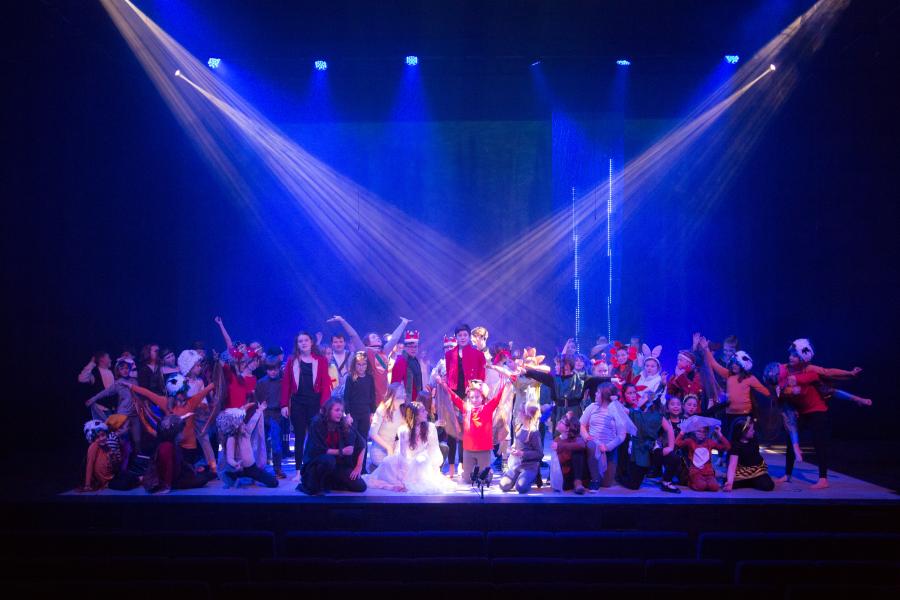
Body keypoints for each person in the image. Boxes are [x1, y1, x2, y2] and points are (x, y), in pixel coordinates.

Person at [775, 338, 864, 489]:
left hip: (817, 409)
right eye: (790, 354)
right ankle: (787, 474)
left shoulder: (810, 369)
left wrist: (850, 374)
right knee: (791, 441)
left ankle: (823, 479)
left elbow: (829, 372)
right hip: (801, 411)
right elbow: (773, 376)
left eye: (795, 355)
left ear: (803, 358)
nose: (791, 357)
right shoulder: (785, 368)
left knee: (819, 443)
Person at [366, 402, 456, 494]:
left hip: (421, 458)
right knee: (387, 462)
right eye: (423, 411)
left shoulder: (430, 427)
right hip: (406, 461)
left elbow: (434, 449)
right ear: (416, 416)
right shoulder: (403, 430)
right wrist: (403, 478)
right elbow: (403, 455)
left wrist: (434, 467)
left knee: (420, 461)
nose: (426, 413)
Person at [129, 375, 216, 466]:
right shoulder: (166, 403)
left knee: (187, 472)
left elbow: (206, 390)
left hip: (189, 447)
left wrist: (220, 375)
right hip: (174, 445)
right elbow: (148, 393)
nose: (183, 394)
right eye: (180, 392)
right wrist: (131, 386)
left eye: (184, 391)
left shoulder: (191, 402)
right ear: (173, 394)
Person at [327, 314, 411, 404]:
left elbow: (394, 339)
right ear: (367, 342)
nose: (377, 337)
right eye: (373, 337)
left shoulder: (383, 352)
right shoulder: (366, 352)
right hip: (369, 398)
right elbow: (354, 335)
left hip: (384, 396)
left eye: (377, 336)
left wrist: (403, 323)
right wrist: (342, 321)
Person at [699, 337, 770, 440]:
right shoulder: (728, 374)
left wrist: (776, 390)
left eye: (737, 364)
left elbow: (765, 391)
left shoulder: (749, 377)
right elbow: (714, 365)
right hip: (728, 411)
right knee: (728, 436)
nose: (734, 366)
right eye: (733, 363)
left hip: (744, 413)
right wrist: (706, 349)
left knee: (743, 437)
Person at [438, 377, 507, 483]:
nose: (474, 400)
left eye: (477, 397)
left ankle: (488, 473)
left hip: (483, 449)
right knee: (468, 480)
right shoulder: (466, 408)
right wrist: (444, 385)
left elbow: (497, 398)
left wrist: (506, 383)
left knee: (482, 479)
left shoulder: (487, 408)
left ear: (482, 397)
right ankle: (472, 471)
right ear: (469, 398)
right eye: (472, 397)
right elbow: (454, 397)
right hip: (468, 450)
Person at [280, 331, 331, 469]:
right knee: (299, 437)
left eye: (306, 340)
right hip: (298, 404)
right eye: (300, 341)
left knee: (315, 436)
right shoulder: (292, 360)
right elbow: (286, 384)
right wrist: (284, 404)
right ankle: (298, 469)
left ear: (311, 342)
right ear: (297, 344)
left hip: (315, 403)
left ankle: (313, 467)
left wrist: (324, 406)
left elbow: (326, 385)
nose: (303, 343)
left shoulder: (321, 360)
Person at [617, 384, 680, 493]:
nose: (636, 397)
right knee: (633, 485)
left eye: (640, 396)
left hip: (650, 450)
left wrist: (670, 447)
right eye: (630, 393)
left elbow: (669, 429)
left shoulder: (655, 415)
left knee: (674, 458)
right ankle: (620, 476)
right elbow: (622, 410)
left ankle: (666, 481)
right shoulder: (633, 411)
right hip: (637, 452)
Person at [298, 398, 367, 495]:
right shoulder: (317, 423)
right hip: (316, 463)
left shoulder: (343, 423)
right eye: (337, 410)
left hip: (337, 465)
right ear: (328, 410)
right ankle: (314, 482)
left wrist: (359, 466)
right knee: (329, 460)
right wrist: (341, 451)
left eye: (342, 411)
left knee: (360, 486)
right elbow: (318, 449)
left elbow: (362, 443)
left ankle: (329, 482)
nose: (340, 413)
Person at [85, 358, 143, 452]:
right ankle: (121, 463)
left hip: (135, 414)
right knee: (124, 441)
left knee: (138, 440)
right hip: (123, 416)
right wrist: (92, 399)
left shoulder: (134, 381)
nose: (125, 370)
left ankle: (138, 462)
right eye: (122, 368)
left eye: (126, 368)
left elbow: (141, 395)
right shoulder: (118, 383)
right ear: (118, 371)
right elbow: (105, 392)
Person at [580, 382, 630, 490]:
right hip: (593, 445)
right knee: (592, 446)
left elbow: (622, 435)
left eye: (598, 392)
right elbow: (582, 425)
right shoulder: (592, 407)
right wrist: (586, 436)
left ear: (605, 395)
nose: (596, 394)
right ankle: (594, 479)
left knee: (606, 484)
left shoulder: (617, 410)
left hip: (609, 448)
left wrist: (607, 447)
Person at [217, 407, 278, 489]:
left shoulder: (246, 433)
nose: (244, 424)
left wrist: (259, 411)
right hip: (238, 469)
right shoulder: (231, 439)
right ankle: (232, 475)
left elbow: (253, 421)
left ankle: (247, 476)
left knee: (274, 482)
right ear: (235, 426)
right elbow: (229, 458)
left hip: (251, 468)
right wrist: (235, 464)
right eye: (242, 423)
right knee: (230, 477)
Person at [499, 403, 543, 494]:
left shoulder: (534, 432)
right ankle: (519, 476)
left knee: (521, 488)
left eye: (520, 411)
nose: (518, 413)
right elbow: (517, 443)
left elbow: (539, 454)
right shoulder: (519, 427)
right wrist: (512, 449)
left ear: (526, 415)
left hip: (529, 466)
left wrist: (522, 454)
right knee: (503, 485)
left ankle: (532, 477)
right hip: (517, 465)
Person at [724, 417, 774, 492]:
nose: (753, 431)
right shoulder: (735, 445)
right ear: (743, 432)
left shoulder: (754, 440)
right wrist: (730, 483)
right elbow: (732, 465)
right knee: (727, 482)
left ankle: (751, 480)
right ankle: (749, 481)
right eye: (751, 430)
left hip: (756, 470)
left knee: (768, 486)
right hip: (742, 471)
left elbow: (756, 458)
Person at [675, 425, 730, 492]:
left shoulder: (710, 442)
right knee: (701, 486)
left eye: (704, 432)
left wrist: (719, 434)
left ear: (707, 433)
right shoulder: (690, 441)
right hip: (696, 472)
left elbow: (727, 446)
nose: (701, 434)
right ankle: (690, 482)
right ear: (694, 432)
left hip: (708, 473)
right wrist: (683, 432)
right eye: (699, 431)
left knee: (714, 487)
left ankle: (705, 482)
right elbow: (677, 443)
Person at [256, 359, 286, 478]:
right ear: (266, 370)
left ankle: (277, 468)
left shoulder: (282, 382)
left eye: (275, 369)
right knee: (260, 442)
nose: (273, 372)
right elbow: (257, 397)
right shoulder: (261, 382)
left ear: (279, 369)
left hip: (276, 415)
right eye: (270, 370)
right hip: (263, 414)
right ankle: (259, 468)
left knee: (276, 442)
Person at [369, 382, 407, 469]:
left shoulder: (401, 410)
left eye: (403, 392)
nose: (404, 394)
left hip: (393, 450)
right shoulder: (382, 409)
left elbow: (406, 428)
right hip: (379, 451)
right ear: (393, 395)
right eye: (401, 392)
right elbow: (372, 433)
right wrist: (388, 447)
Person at [551, 413, 587, 494]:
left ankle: (578, 482)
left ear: (567, 428)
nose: (558, 422)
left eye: (561, 422)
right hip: (565, 476)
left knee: (578, 452)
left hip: (576, 473)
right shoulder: (557, 440)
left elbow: (582, 445)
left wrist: (561, 446)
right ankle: (573, 483)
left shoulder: (576, 439)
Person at [391, 330, 426, 403]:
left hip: (417, 402)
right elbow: (395, 384)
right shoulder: (401, 360)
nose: (413, 349)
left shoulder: (415, 360)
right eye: (410, 347)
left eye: (415, 347)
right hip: (405, 402)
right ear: (405, 347)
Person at [78, 351, 115, 420]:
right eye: (108, 357)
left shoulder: (112, 372)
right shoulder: (95, 372)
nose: (110, 359)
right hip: (99, 409)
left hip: (112, 409)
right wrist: (91, 363)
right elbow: (81, 379)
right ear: (102, 359)